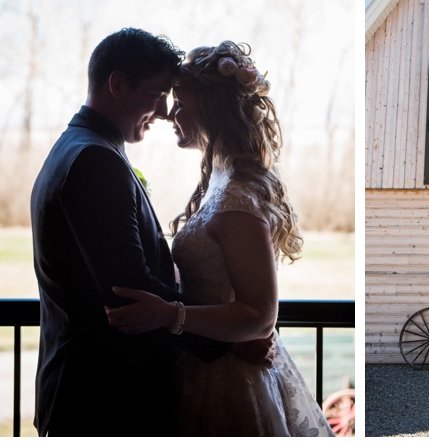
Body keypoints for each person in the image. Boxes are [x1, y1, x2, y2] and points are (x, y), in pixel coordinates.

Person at [30, 28, 263, 437]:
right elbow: (129, 289)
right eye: (157, 95)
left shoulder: (82, 148)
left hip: (95, 391)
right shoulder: (93, 161)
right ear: (117, 84)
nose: (162, 111)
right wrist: (228, 338)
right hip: (103, 399)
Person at [105, 41, 334, 437]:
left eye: (181, 103)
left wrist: (167, 314)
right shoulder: (218, 180)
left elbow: (260, 315)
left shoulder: (236, 198)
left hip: (232, 380)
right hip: (210, 359)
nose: (170, 114)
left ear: (211, 107)